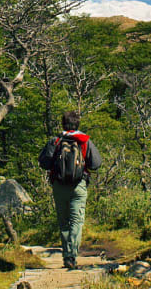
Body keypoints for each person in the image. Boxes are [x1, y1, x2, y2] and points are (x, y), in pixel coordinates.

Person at [38, 111, 102, 270]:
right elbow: (95, 164)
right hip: (78, 186)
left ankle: (67, 255)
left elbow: (44, 163)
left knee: (63, 221)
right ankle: (72, 255)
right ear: (77, 124)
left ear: (63, 124)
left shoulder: (56, 141)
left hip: (59, 186)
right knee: (76, 221)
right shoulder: (84, 141)